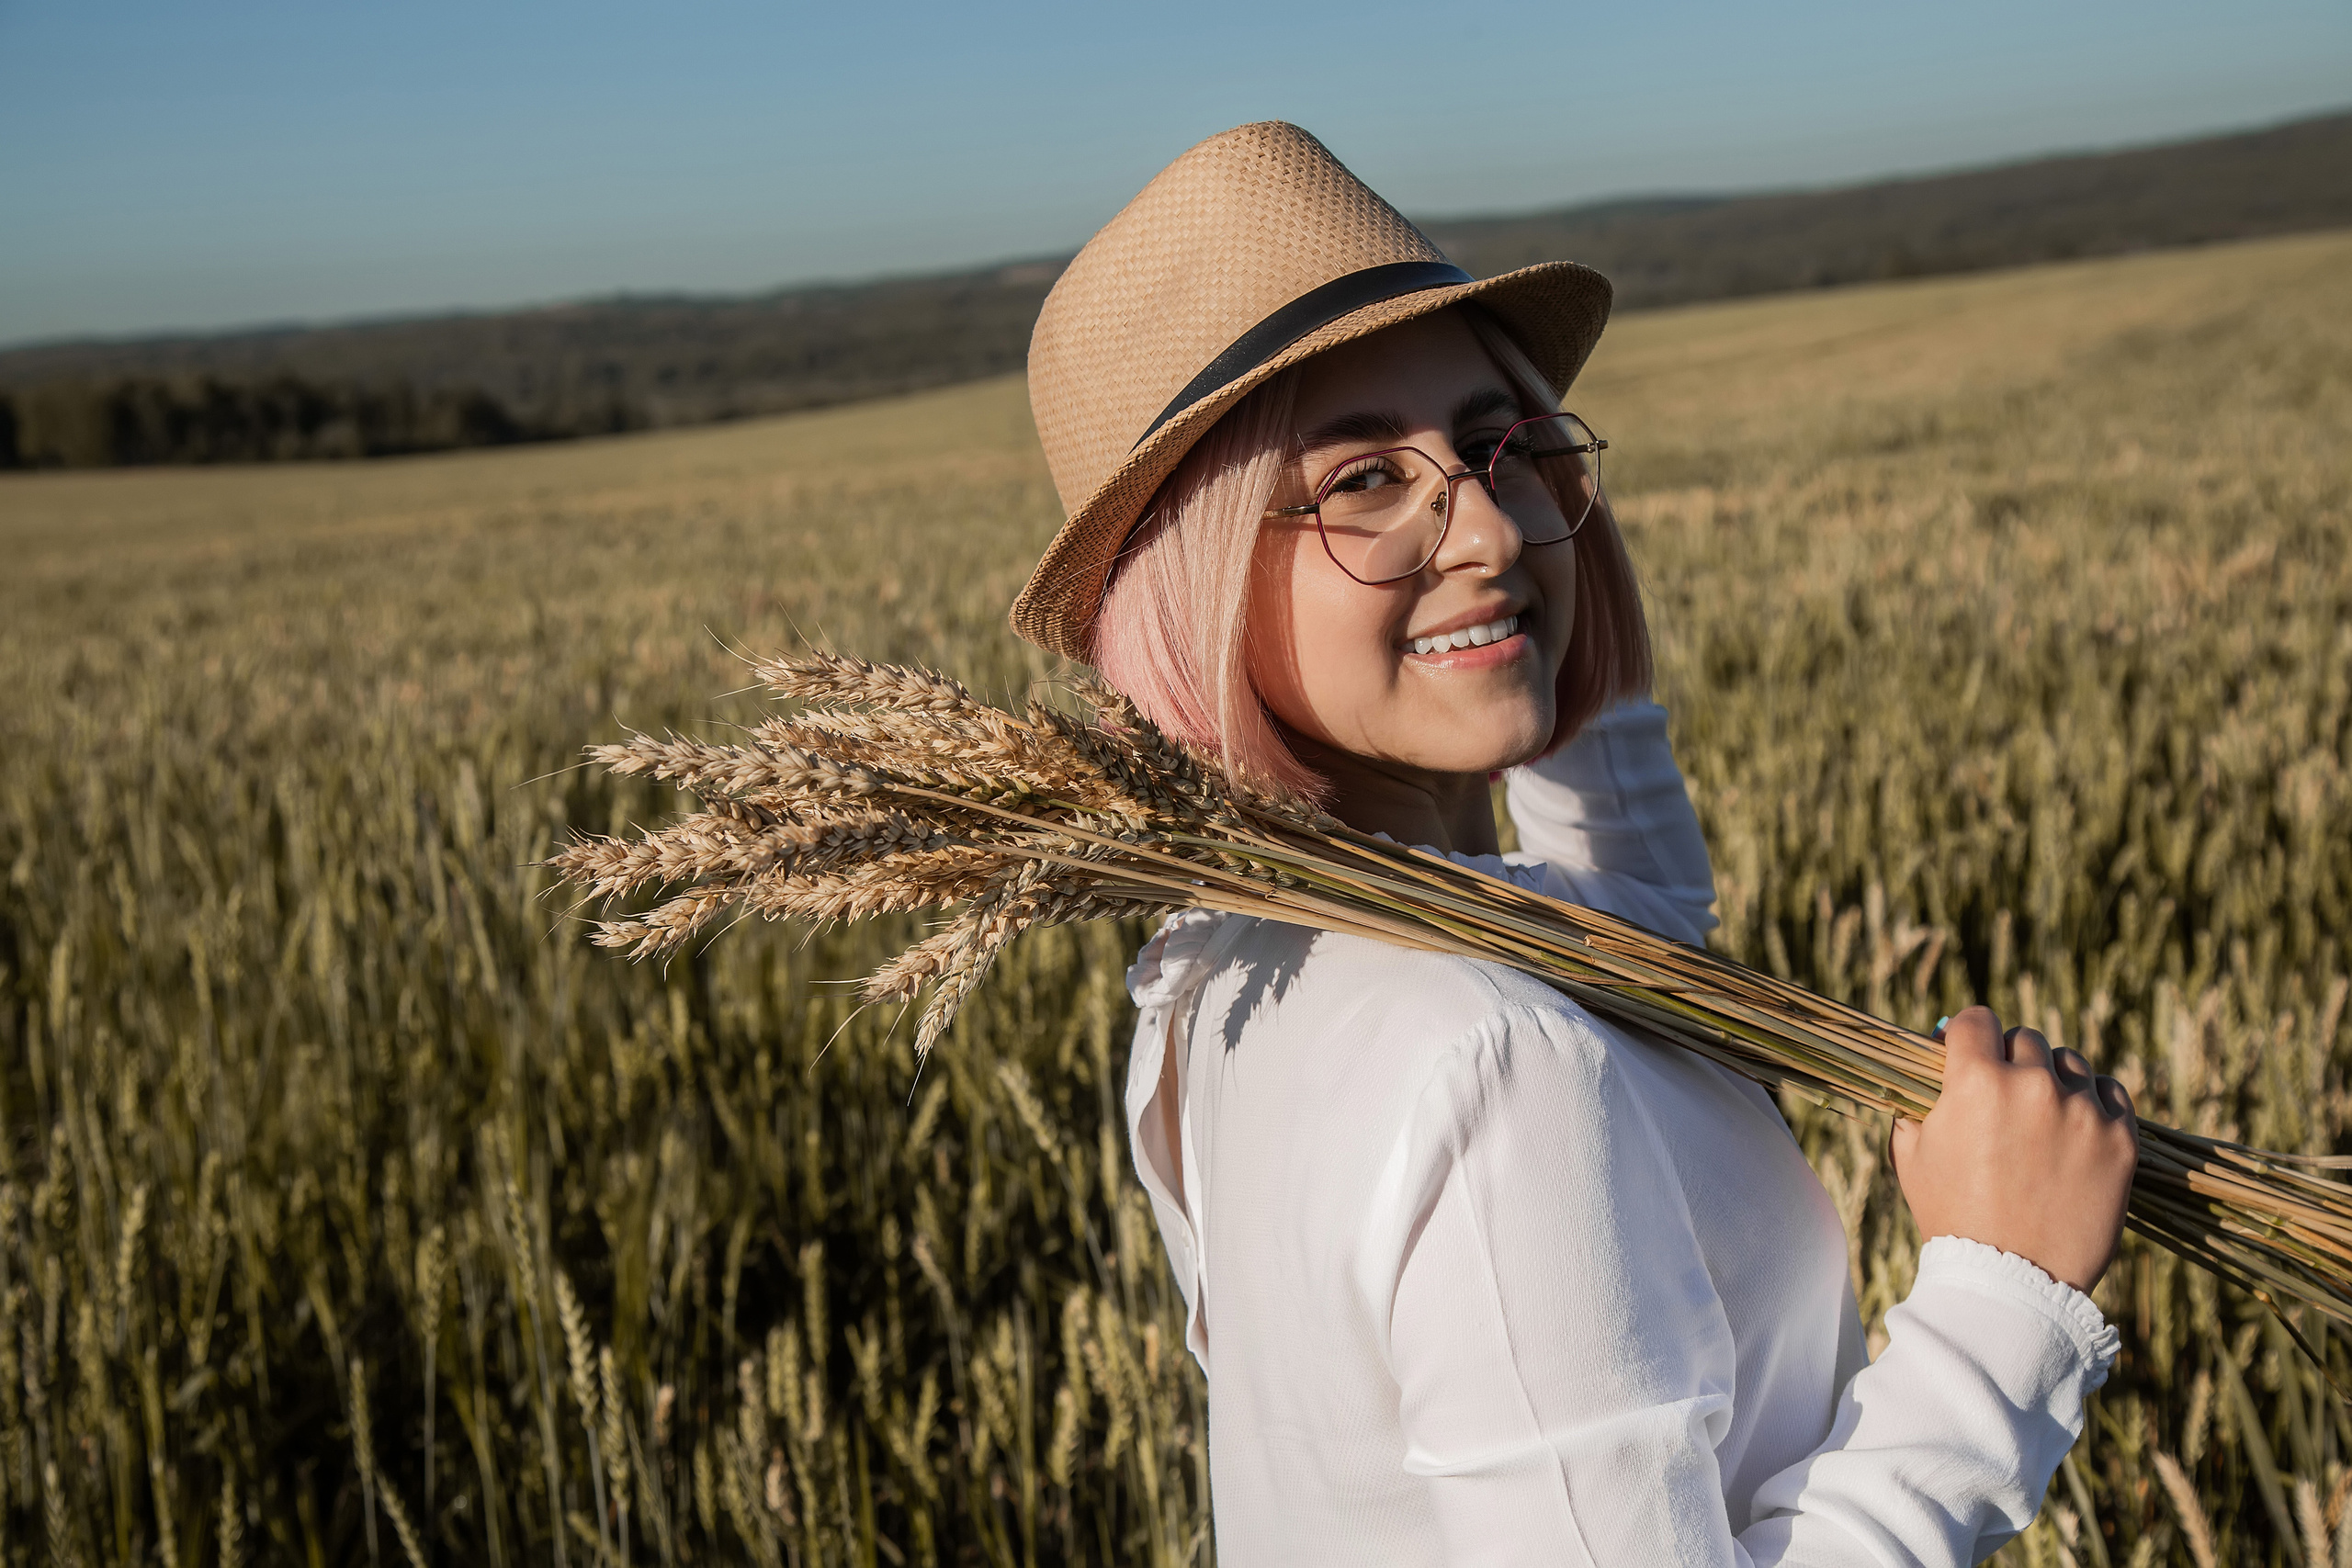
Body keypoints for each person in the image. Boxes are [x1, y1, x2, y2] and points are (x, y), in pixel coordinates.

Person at [1009, 121, 2140, 1566]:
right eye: (1363, 479)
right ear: (1199, 582)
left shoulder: (1221, 972)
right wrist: (2005, 1302)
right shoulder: (1485, 1061)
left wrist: (1539, 608)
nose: (1481, 522)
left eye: (1502, 446)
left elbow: (1634, 932)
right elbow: (1552, 1024)